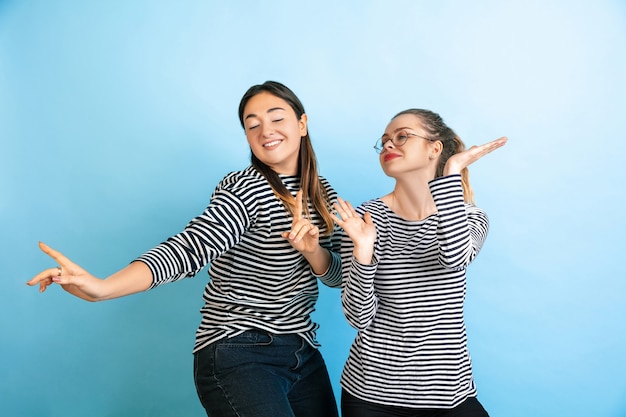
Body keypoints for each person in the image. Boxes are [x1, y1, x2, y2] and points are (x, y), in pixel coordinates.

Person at [26, 81, 342, 417]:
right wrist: (103, 288)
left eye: (277, 118)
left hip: (302, 351)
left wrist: (311, 251)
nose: (266, 130)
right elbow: (191, 247)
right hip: (240, 350)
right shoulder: (245, 187)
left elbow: (336, 275)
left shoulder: (323, 193)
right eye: (253, 125)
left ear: (302, 124)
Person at [331, 108, 507, 417]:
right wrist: (362, 249)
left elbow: (453, 258)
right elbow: (358, 317)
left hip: (448, 395)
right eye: (384, 140)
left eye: (402, 137)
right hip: (372, 396)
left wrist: (451, 172)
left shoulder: (470, 217)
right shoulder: (364, 220)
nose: (388, 145)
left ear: (434, 149)